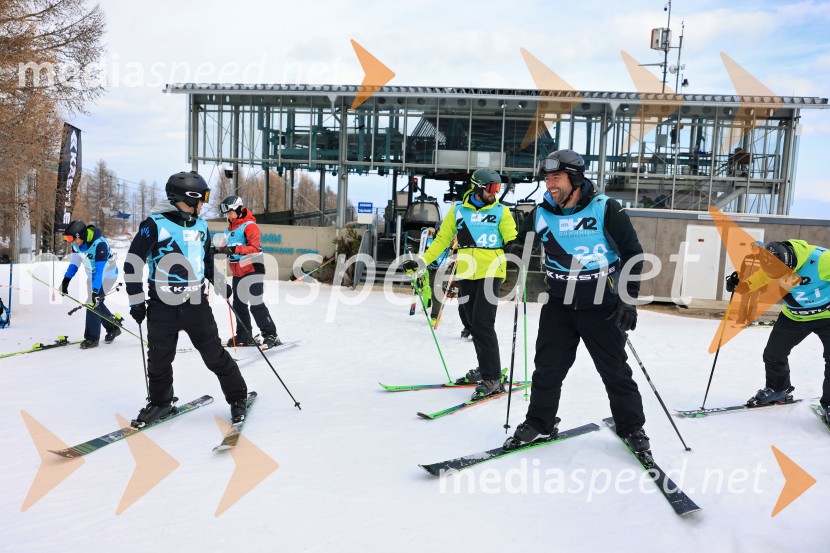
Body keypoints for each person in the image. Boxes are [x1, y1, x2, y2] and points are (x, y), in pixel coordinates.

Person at [503, 149, 651, 462]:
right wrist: (513, 248)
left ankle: (631, 427)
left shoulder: (605, 208)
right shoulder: (542, 212)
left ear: (576, 178)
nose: (550, 183)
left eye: (556, 177)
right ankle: (540, 423)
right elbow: (524, 239)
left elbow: (632, 254)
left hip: (601, 304)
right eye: (547, 177)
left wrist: (627, 297)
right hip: (559, 303)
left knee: (614, 371)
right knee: (547, 369)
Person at [123, 171, 249, 428]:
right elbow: (133, 263)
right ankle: (161, 402)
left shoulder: (201, 226)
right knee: (159, 358)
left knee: (214, 354)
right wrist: (136, 301)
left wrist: (220, 284)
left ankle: (238, 397)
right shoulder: (154, 225)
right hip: (161, 305)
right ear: (185, 198)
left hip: (195, 305)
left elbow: (206, 261)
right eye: (200, 199)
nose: (203, 205)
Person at [406, 168, 517, 398]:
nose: (494, 193)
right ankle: (485, 368)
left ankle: (492, 378)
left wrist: (521, 248)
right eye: (491, 188)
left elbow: (513, 239)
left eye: (498, 189)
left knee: (483, 323)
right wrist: (422, 262)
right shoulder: (458, 211)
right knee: (472, 323)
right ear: (478, 187)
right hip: (467, 272)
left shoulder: (501, 211)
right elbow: (441, 241)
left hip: (492, 271)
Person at [728, 240, 830, 421]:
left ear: (791, 262)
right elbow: (761, 278)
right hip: (793, 317)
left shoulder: (822, 260)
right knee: (773, 355)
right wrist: (741, 286)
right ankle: (778, 390)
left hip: (827, 317)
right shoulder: (772, 262)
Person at [217, 195, 281, 348]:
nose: (229, 215)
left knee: (256, 304)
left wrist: (234, 249)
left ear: (239, 209)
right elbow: (223, 249)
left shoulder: (250, 226)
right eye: (227, 213)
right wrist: (217, 250)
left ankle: (271, 334)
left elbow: (254, 248)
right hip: (238, 272)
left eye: (231, 212)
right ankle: (244, 336)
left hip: (253, 269)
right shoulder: (228, 230)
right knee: (239, 306)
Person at [60, 220, 121, 349]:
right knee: (98, 303)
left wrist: (94, 291)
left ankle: (92, 338)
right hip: (93, 277)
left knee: (92, 303)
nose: (71, 241)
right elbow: (74, 263)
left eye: (71, 238)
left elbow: (100, 271)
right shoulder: (76, 244)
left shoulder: (100, 245)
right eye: (67, 238)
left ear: (80, 235)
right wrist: (66, 280)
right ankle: (113, 327)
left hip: (107, 276)